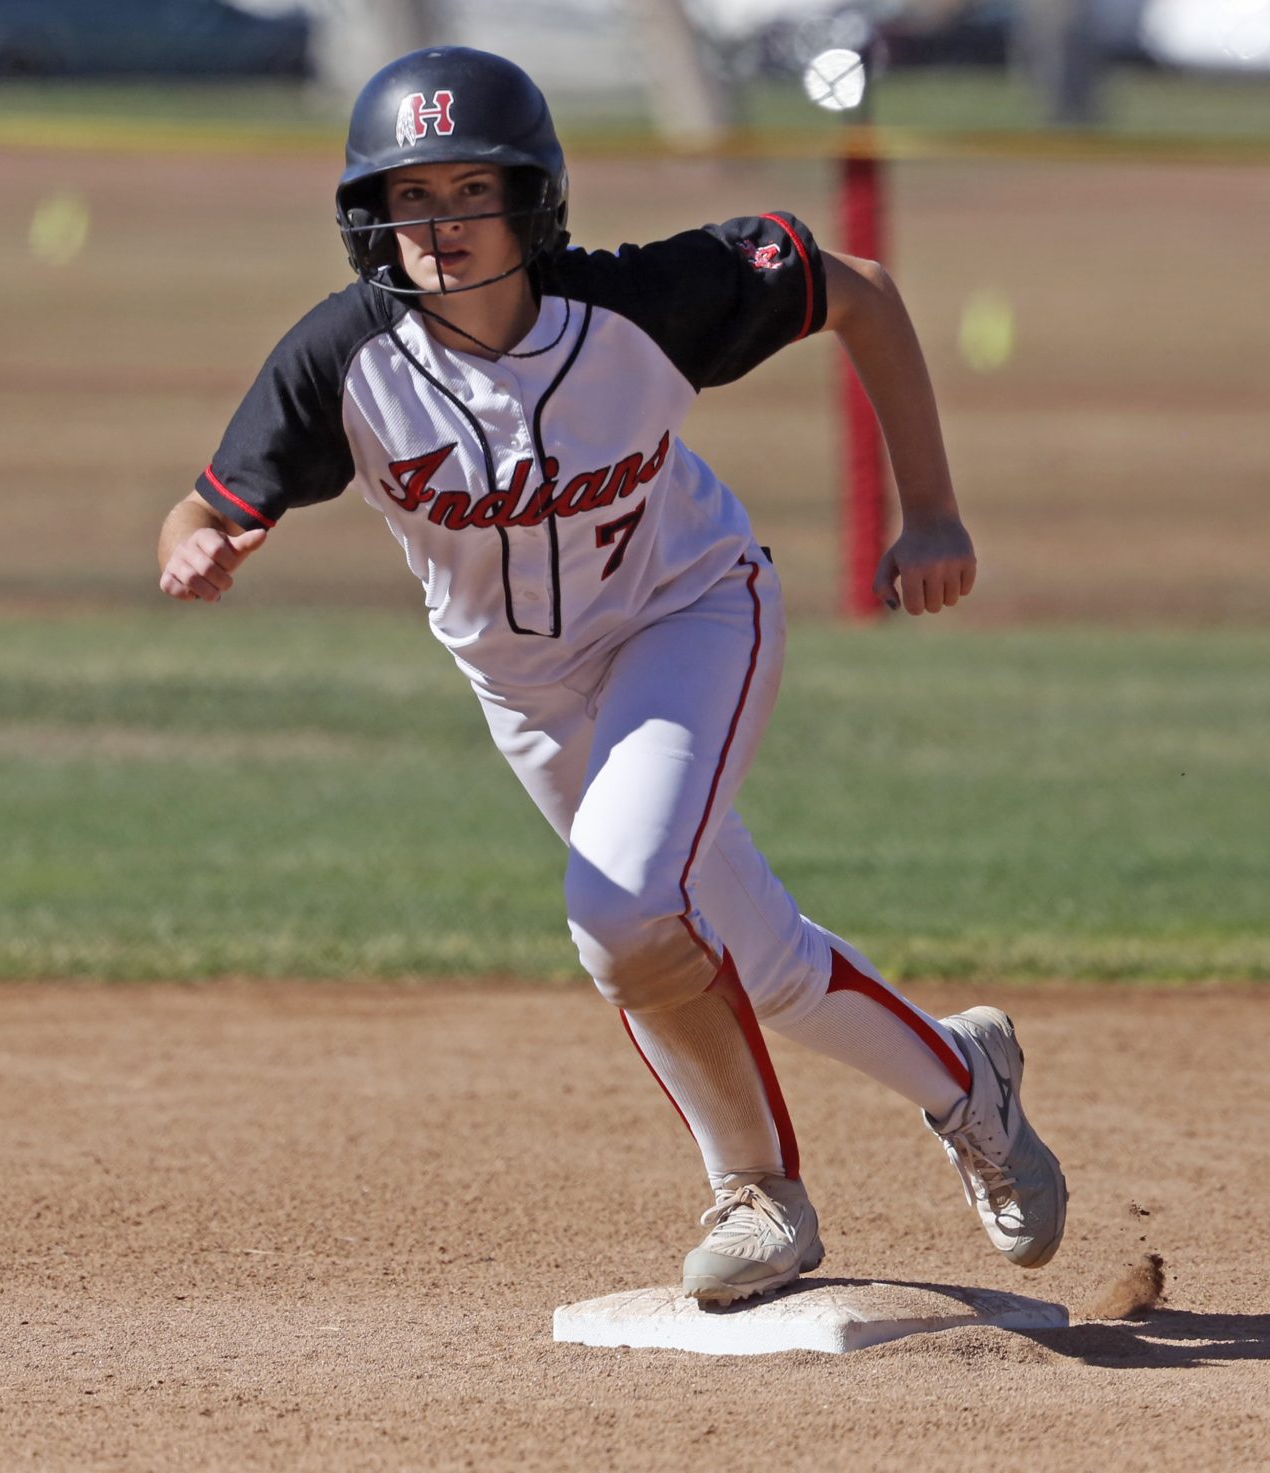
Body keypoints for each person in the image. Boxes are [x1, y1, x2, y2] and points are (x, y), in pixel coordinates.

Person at [157, 46, 1066, 1306]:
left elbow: (858, 289)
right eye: (410, 195)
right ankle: (971, 1085)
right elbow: (206, 504)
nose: (440, 222)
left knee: (624, 909)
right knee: (754, 958)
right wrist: (198, 546)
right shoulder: (343, 355)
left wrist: (933, 512)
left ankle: (759, 1195)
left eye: (470, 189)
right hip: (524, 694)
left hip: (690, 616)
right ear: (369, 216)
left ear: (533, 198)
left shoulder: (639, 303)